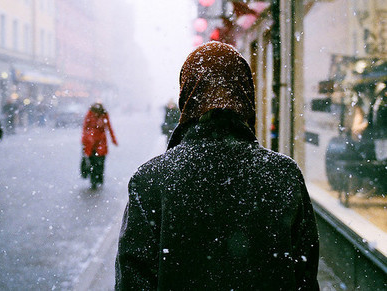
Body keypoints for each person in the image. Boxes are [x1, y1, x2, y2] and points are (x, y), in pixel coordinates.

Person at [115, 42, 319, 290]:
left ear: (187, 96)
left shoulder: (151, 180)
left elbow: (133, 280)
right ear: (245, 95)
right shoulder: (283, 174)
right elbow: (305, 277)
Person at [81, 103, 118, 189]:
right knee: (93, 162)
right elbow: (85, 127)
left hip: (99, 142)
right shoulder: (91, 114)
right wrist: (84, 140)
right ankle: (94, 180)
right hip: (91, 142)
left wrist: (113, 139)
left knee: (99, 162)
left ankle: (98, 179)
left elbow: (109, 127)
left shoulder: (103, 115)